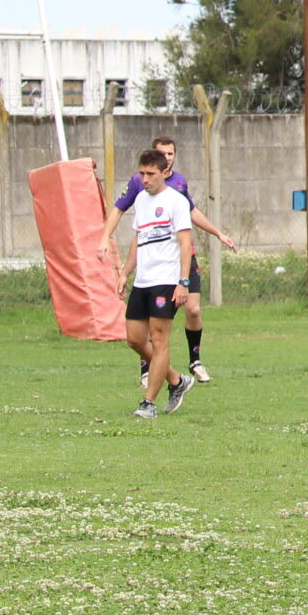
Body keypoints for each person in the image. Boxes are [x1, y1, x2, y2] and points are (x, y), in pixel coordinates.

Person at [113, 135, 237, 383]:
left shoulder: (178, 186)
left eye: (171, 154)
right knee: (144, 331)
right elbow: (135, 231)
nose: (168, 158)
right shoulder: (141, 188)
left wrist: (217, 233)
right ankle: (153, 371)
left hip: (180, 262)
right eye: (163, 154)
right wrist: (120, 262)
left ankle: (193, 361)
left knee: (192, 309)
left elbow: (191, 215)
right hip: (153, 269)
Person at [122, 150, 198, 419]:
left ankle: (148, 403)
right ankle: (177, 380)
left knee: (158, 338)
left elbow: (185, 244)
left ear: (164, 172)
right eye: (141, 173)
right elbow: (138, 240)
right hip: (143, 280)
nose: (144, 179)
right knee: (134, 339)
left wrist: (183, 282)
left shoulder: (176, 202)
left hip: (166, 280)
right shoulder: (141, 200)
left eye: (150, 174)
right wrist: (124, 273)